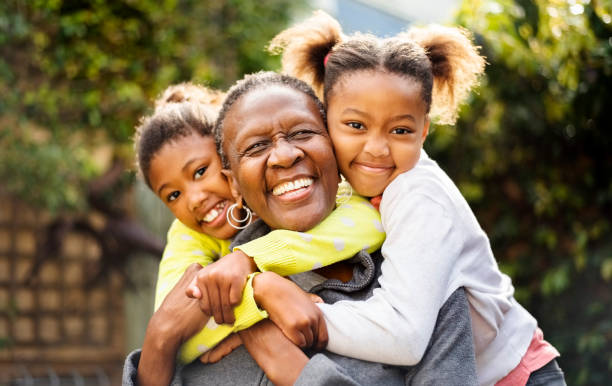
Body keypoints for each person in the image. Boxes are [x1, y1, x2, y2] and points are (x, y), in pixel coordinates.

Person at [268, 10, 566, 386]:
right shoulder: (350, 188)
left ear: (423, 131)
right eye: (356, 125)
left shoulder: (417, 195)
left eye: (400, 129)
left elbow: (404, 336)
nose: (376, 148)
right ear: (325, 119)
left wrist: (312, 315)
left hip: (517, 377)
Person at [123, 71, 478, 385]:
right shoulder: (213, 293)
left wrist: (293, 369)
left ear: (335, 147)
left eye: (304, 133)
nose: (284, 155)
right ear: (233, 183)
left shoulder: (421, 284)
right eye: (256, 146)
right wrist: (162, 338)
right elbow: (168, 329)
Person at [131, 82, 385, 371]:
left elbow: (370, 223)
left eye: (201, 171)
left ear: (231, 157)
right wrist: (258, 299)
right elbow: (174, 319)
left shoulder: (316, 193)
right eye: (173, 195)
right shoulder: (188, 235)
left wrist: (250, 259)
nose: (194, 199)